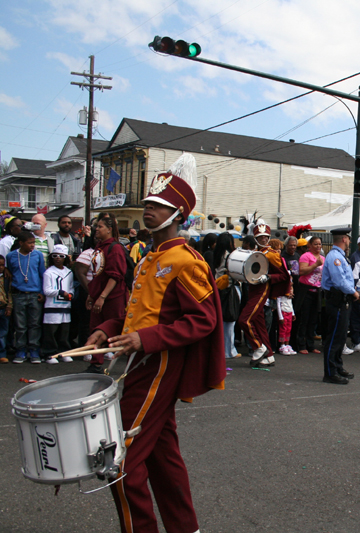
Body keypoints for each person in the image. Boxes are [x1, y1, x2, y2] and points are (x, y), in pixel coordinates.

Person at [86, 155, 226, 533]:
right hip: (141, 362)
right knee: (164, 458)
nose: (148, 210)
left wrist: (144, 339)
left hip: (157, 366)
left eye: (157, 205)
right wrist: (109, 327)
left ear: (177, 212)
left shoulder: (186, 261)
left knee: (120, 463)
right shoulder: (149, 257)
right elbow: (141, 312)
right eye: (148, 204)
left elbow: (203, 320)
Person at [85, 213, 129, 373]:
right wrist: (92, 295)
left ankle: (117, 361)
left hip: (113, 297)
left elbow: (115, 275)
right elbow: (96, 274)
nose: (96, 229)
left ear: (109, 229)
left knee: (111, 329)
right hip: (99, 296)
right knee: (96, 328)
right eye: (96, 226)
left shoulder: (115, 248)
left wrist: (102, 297)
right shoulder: (100, 247)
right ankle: (96, 363)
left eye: (100, 226)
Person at [321, 226, 360, 385]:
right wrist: (354, 292)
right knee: (334, 338)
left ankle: (337, 366)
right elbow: (339, 281)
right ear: (344, 239)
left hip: (342, 300)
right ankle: (330, 372)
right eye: (348, 238)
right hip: (337, 300)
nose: (349, 241)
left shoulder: (340, 256)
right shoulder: (335, 257)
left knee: (341, 336)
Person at [237, 222, 277, 367]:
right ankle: (270, 355)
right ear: (255, 239)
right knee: (259, 325)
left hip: (262, 291)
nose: (264, 240)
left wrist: (269, 277)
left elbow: (284, 275)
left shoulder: (272, 255)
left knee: (244, 320)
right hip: (252, 290)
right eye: (260, 237)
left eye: (265, 237)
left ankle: (259, 347)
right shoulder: (254, 253)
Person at [8, 231, 46, 364]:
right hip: (19, 294)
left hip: (35, 294)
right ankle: (20, 350)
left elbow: (42, 274)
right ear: (21, 243)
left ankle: (34, 350)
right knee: (20, 325)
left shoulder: (38, 255)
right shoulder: (11, 256)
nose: (32, 245)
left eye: (34, 243)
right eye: (30, 243)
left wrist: (42, 291)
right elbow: (11, 273)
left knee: (34, 324)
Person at [42, 244, 74, 363]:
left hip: (65, 307)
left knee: (64, 332)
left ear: (65, 257)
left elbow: (71, 287)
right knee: (51, 332)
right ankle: (49, 353)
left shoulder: (69, 273)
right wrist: (61, 292)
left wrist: (70, 294)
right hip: (52, 306)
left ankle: (63, 352)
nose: (57, 258)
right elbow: (47, 290)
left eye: (61, 256)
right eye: (55, 256)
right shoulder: (48, 272)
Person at [213, 232, 240, 359]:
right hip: (229, 289)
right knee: (230, 321)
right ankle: (229, 351)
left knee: (221, 321)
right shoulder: (229, 256)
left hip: (218, 288)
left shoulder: (216, 254)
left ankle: (221, 350)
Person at [295, 236, 324, 355]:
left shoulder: (323, 258)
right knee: (304, 318)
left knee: (313, 319)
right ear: (309, 246)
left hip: (317, 291)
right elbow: (301, 272)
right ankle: (301, 344)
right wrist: (315, 265)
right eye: (315, 244)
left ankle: (311, 344)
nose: (318, 246)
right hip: (305, 290)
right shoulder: (305, 256)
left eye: (319, 244)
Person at [0, 256, 11, 363]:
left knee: (2, 333)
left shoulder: (6, 278)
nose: (1, 267)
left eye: (3, 265)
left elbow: (10, 293)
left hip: (3, 308)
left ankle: (2, 354)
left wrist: (9, 306)